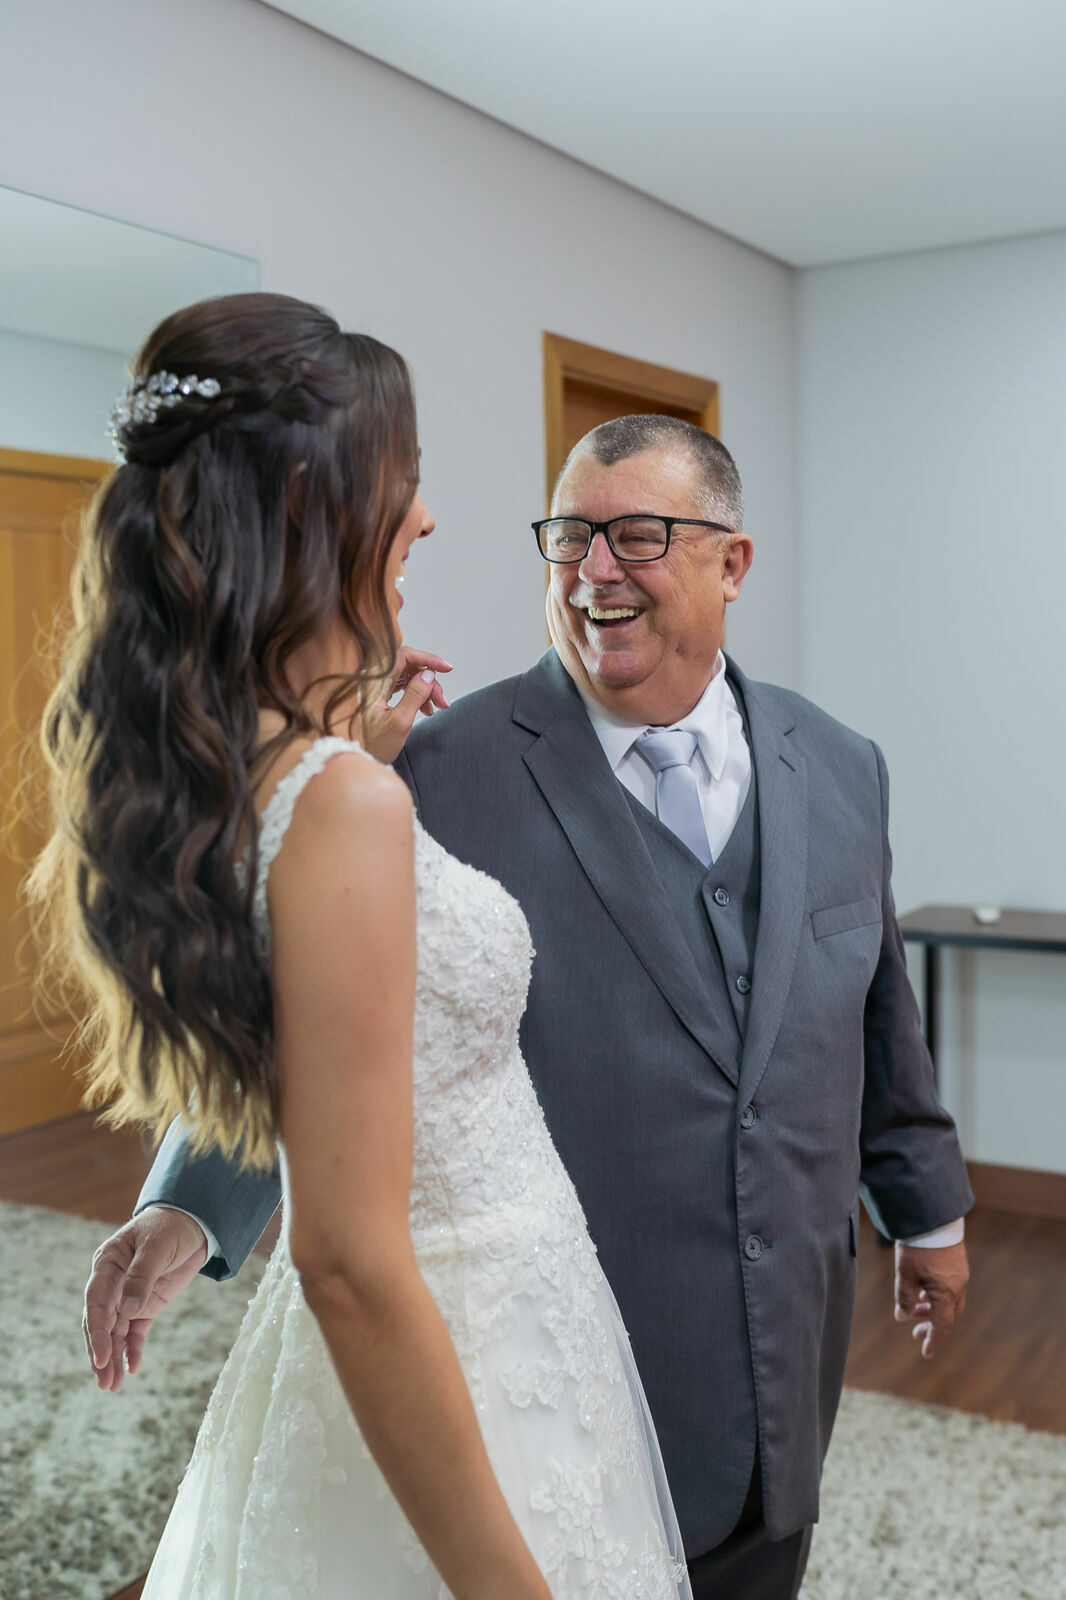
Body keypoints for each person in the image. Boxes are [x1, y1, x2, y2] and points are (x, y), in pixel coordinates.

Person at [83, 410, 973, 1600]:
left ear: (731, 562)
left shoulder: (842, 763)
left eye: (638, 537)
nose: (594, 572)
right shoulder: (430, 773)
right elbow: (316, 1021)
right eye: (570, 537)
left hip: (782, 1356)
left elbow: (876, 1008)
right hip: (554, 1375)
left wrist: (929, 1214)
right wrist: (191, 1207)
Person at [35, 292, 693, 1600]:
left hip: (510, 1308)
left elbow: (295, 1018)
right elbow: (344, 1255)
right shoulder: (334, 800)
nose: (430, 519)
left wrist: (358, 760)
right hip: (446, 1326)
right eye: (405, 482)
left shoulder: (268, 769)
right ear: (303, 508)